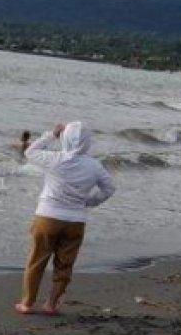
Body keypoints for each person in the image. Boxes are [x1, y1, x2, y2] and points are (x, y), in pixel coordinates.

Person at [16, 121, 115, 316]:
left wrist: (52, 134)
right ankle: (51, 304)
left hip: (48, 217)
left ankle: (27, 303)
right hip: (75, 221)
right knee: (64, 265)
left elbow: (29, 152)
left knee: (36, 261)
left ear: (65, 139)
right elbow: (109, 188)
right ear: (87, 142)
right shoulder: (94, 166)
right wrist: (90, 202)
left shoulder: (55, 159)